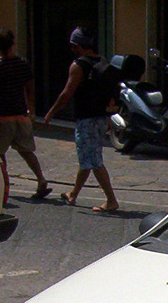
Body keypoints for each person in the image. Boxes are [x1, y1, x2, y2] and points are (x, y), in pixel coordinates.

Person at [43, 27, 119, 212]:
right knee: (87, 157)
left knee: (93, 160)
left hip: (87, 119)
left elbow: (67, 93)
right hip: (101, 118)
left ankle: (111, 200)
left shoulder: (79, 65)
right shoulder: (101, 61)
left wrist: (51, 112)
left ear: (77, 45)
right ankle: (73, 194)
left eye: (72, 46)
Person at [0, 29, 50, 203]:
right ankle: (41, 179)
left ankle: (4, 184)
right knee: (26, 151)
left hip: (3, 116)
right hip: (21, 115)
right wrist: (31, 110)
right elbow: (30, 88)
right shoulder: (22, 64)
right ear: (12, 43)